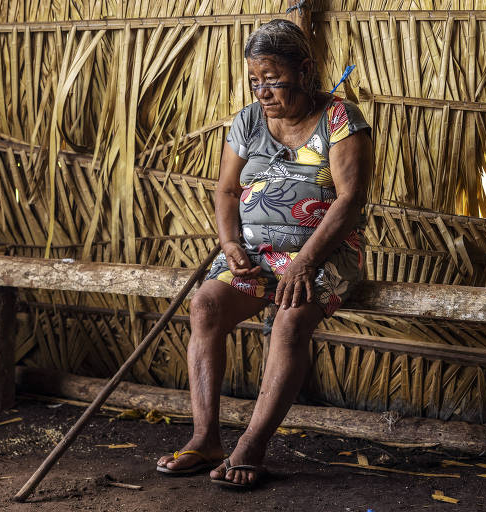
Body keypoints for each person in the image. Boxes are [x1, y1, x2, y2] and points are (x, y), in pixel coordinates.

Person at [156, 18, 373, 488]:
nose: (263, 92)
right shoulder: (249, 121)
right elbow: (228, 190)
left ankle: (251, 445)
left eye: (273, 80)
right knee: (206, 305)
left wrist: (307, 261)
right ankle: (204, 438)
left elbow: (350, 199)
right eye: (255, 81)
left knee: (291, 319)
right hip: (255, 252)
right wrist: (230, 243)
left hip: (324, 252)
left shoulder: (341, 119)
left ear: (305, 70)